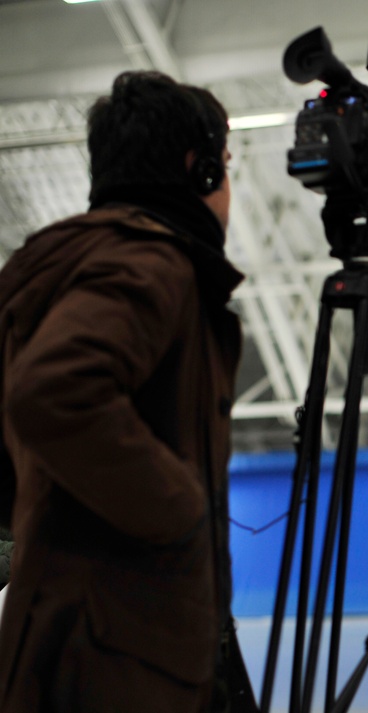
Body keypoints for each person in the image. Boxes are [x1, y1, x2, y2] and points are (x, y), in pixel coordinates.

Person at [0, 71, 255, 712]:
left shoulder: (44, 266)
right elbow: (53, 391)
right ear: (198, 171)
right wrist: (178, 512)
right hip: (123, 650)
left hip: (53, 635)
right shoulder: (147, 263)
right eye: (223, 165)